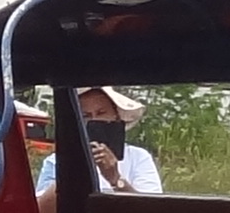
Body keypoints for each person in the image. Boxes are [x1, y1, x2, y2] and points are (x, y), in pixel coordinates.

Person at [30, 84, 164, 199]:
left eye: (101, 113)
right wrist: (73, 168)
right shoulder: (57, 161)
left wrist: (115, 178)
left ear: (116, 117)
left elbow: (150, 210)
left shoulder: (138, 157)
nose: (94, 120)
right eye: (86, 116)